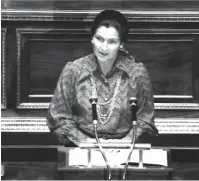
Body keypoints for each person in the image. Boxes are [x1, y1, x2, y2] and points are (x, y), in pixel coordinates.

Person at [47, 10, 158, 146]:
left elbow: (146, 120)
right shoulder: (74, 70)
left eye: (111, 42)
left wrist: (125, 143)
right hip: (82, 148)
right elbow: (58, 118)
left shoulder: (136, 72)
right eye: (99, 39)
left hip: (125, 149)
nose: (103, 47)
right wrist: (87, 143)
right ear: (92, 38)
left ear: (121, 44)